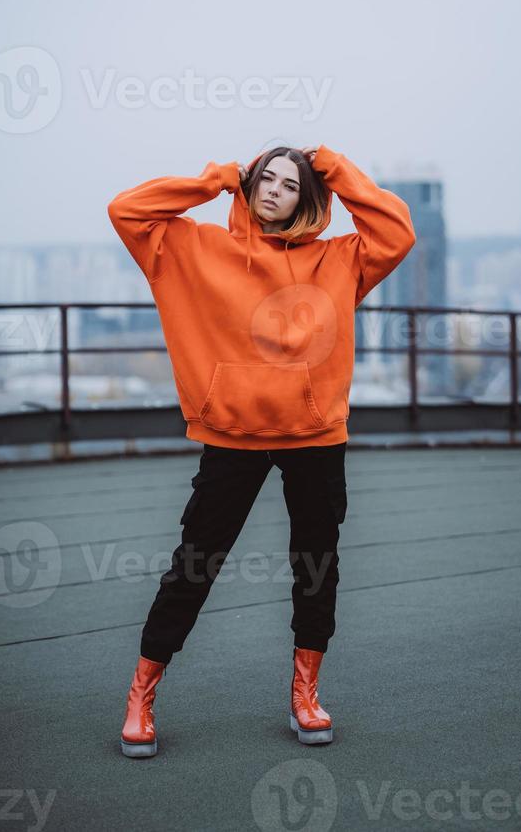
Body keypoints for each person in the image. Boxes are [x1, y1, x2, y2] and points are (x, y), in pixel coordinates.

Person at [107, 144, 416, 756]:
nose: (275, 190)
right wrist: (219, 179)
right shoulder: (194, 248)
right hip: (232, 435)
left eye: (291, 184)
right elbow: (127, 209)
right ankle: (142, 692)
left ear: (309, 198)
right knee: (195, 563)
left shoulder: (339, 260)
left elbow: (396, 230)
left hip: (315, 437)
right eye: (265, 179)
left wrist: (329, 163)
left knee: (316, 566)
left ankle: (306, 692)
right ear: (251, 186)